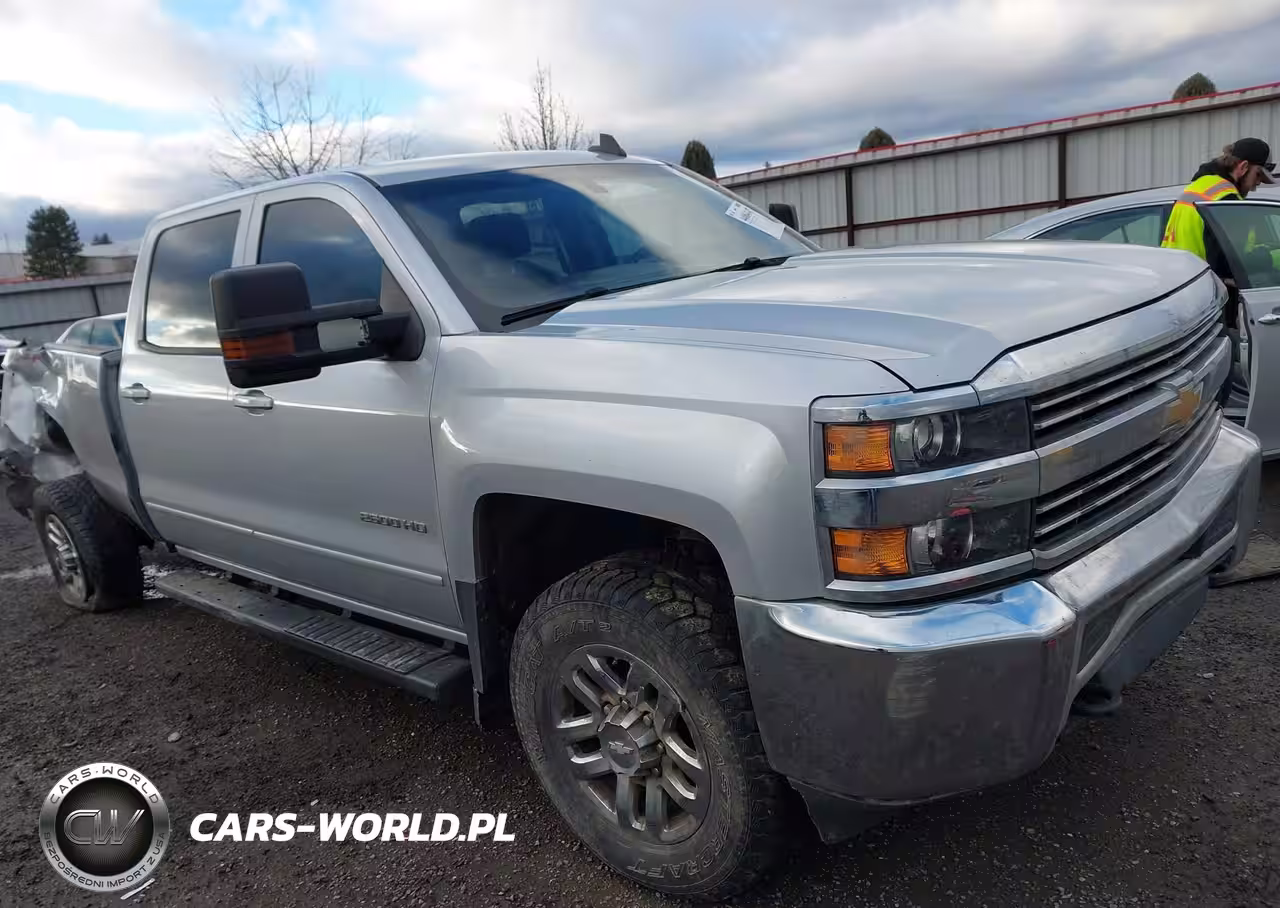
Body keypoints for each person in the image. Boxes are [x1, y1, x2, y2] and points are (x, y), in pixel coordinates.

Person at [1161, 137, 1275, 271]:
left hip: (1179, 278)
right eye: (1258, 175)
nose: (1258, 183)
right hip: (1202, 284)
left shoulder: (1200, 186)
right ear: (1243, 167)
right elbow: (1229, 263)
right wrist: (1269, 258)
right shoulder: (1226, 201)